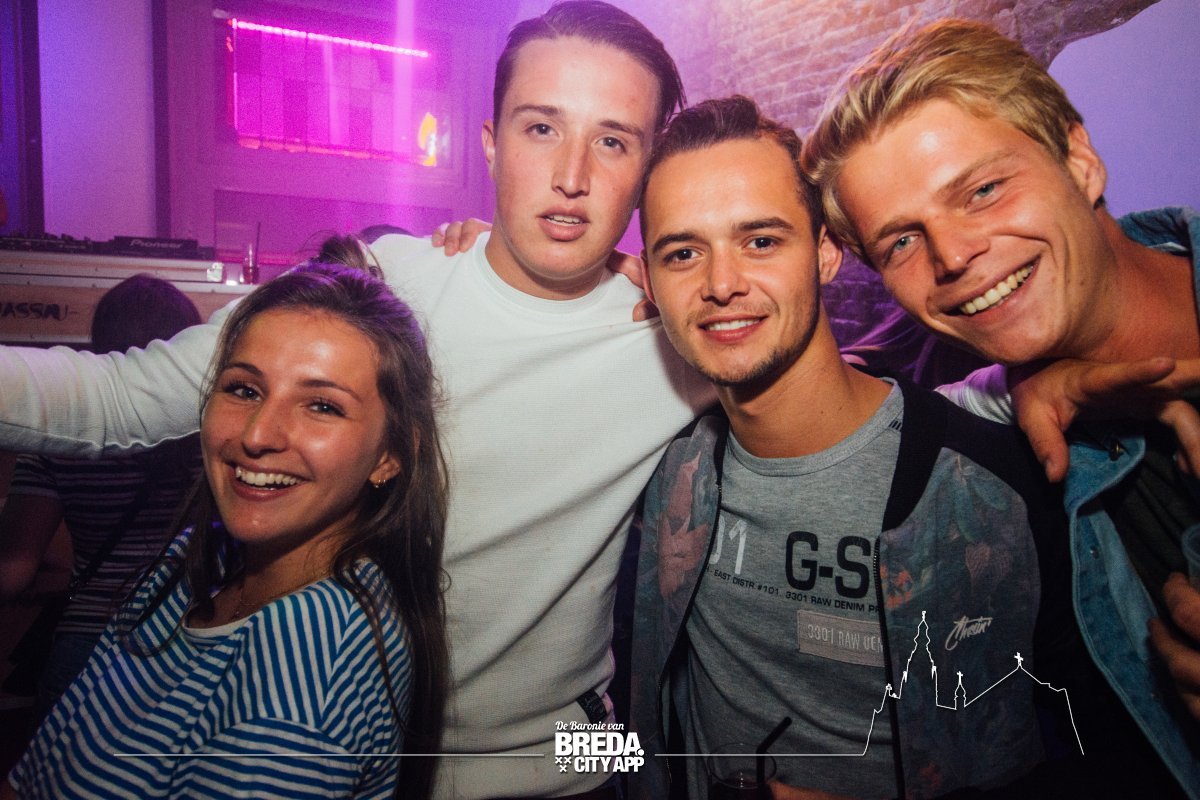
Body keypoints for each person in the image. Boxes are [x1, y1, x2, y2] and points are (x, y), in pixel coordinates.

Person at [0, 3, 711, 796]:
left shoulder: (678, 336)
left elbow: (814, 368)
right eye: (541, 127)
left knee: (646, 762)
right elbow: (121, 397)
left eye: (613, 141)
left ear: (647, 172)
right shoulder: (386, 285)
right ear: (491, 142)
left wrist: (689, 261)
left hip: (564, 760)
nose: (571, 175)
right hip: (345, 756)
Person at [630, 94, 1185, 800]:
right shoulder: (661, 468)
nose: (720, 284)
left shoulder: (1000, 486)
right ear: (649, 281)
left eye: (762, 241)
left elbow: (1123, 752)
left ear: (825, 254)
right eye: (682, 253)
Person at [802, 19, 1200, 793]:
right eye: (900, 243)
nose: (953, 255)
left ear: (1079, 161)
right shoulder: (1017, 443)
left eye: (983, 190)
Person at [3, 262, 448, 800]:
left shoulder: (312, 665)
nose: (258, 435)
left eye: (322, 405)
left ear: (391, 454)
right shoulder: (192, 561)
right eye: (244, 389)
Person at [0, 275, 203, 721]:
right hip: (186, 640)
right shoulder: (207, 443)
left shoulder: (58, 444)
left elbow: (11, 574)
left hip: (87, 643)